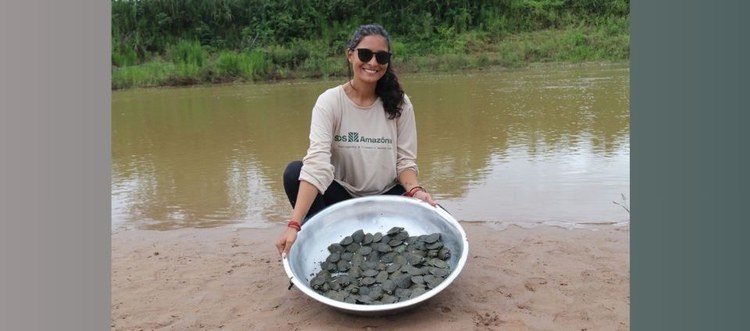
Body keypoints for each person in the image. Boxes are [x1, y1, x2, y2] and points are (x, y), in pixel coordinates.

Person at [275, 24, 436, 258]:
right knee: (294, 172)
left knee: (436, 219)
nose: (372, 63)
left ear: (387, 61)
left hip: (387, 197)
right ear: (350, 55)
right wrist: (294, 224)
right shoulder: (330, 102)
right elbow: (317, 165)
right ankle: (323, 239)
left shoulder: (400, 104)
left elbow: (405, 164)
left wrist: (416, 191)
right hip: (343, 199)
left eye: (381, 57)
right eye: (364, 54)